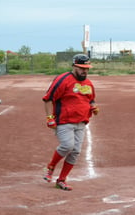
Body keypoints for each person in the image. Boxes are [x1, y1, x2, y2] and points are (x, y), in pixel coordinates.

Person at [42, 54, 99, 191]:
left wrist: (93, 107)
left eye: (86, 68)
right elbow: (48, 99)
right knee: (67, 145)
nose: (84, 71)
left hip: (81, 122)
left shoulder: (88, 84)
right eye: (81, 68)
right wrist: (49, 117)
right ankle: (50, 167)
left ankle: (61, 180)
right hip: (64, 121)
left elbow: (90, 99)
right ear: (74, 66)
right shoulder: (63, 80)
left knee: (76, 152)